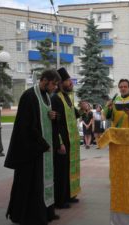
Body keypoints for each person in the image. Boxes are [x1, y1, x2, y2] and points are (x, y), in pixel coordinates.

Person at [4, 69, 61, 225]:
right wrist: (43, 145)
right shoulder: (29, 96)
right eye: (53, 84)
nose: (55, 87)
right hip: (31, 151)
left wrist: (54, 117)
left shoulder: (47, 97)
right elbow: (26, 126)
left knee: (43, 182)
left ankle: (46, 212)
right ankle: (29, 216)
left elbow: (47, 121)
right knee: (30, 184)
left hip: (43, 150)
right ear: (45, 80)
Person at [51, 67, 81, 209]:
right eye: (68, 81)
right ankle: (59, 200)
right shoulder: (55, 98)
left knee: (69, 169)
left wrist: (83, 108)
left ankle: (69, 195)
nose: (71, 83)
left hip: (71, 141)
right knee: (61, 172)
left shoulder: (67, 97)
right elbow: (54, 124)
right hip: (62, 141)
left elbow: (75, 115)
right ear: (61, 83)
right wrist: (59, 143)